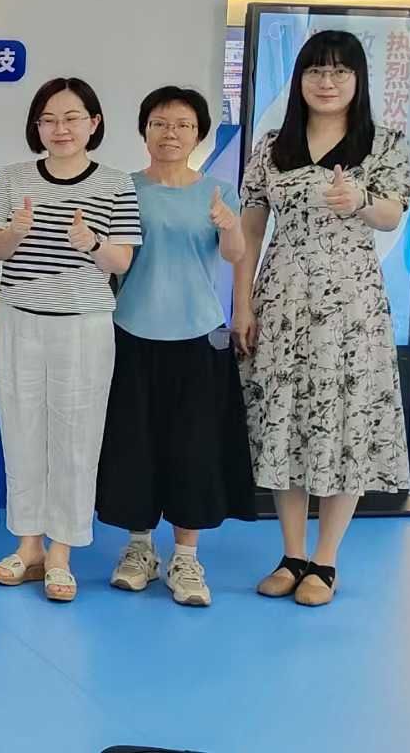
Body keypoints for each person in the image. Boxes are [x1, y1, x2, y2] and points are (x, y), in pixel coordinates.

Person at [233, 30, 410, 607]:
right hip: (282, 299)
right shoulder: (272, 146)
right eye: (315, 71)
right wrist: (242, 303)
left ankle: (326, 560)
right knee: (284, 421)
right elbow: (251, 228)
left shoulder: (385, 142)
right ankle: (291, 554)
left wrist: (360, 202)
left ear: (358, 79)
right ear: (300, 80)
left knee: (345, 422)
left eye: (339, 72)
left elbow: (393, 214)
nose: (326, 82)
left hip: (352, 309)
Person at [94, 86, 255, 608]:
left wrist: (229, 227)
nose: (171, 133)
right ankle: (139, 549)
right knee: (134, 444)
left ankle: (186, 557)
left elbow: (234, 255)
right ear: (144, 130)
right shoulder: (123, 189)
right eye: (160, 123)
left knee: (194, 448)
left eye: (183, 125)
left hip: (198, 337)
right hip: (133, 332)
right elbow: (111, 258)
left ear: (199, 134)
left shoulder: (217, 192)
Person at [0, 77, 140, 603]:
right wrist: (15, 232)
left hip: (83, 324)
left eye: (72, 118)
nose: (60, 128)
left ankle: (61, 553)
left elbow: (121, 260)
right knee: (21, 431)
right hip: (19, 318)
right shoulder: (12, 178)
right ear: (37, 126)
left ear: (94, 123)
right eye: (49, 119)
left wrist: (90, 242)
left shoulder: (115, 183)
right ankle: (28, 546)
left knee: (76, 439)